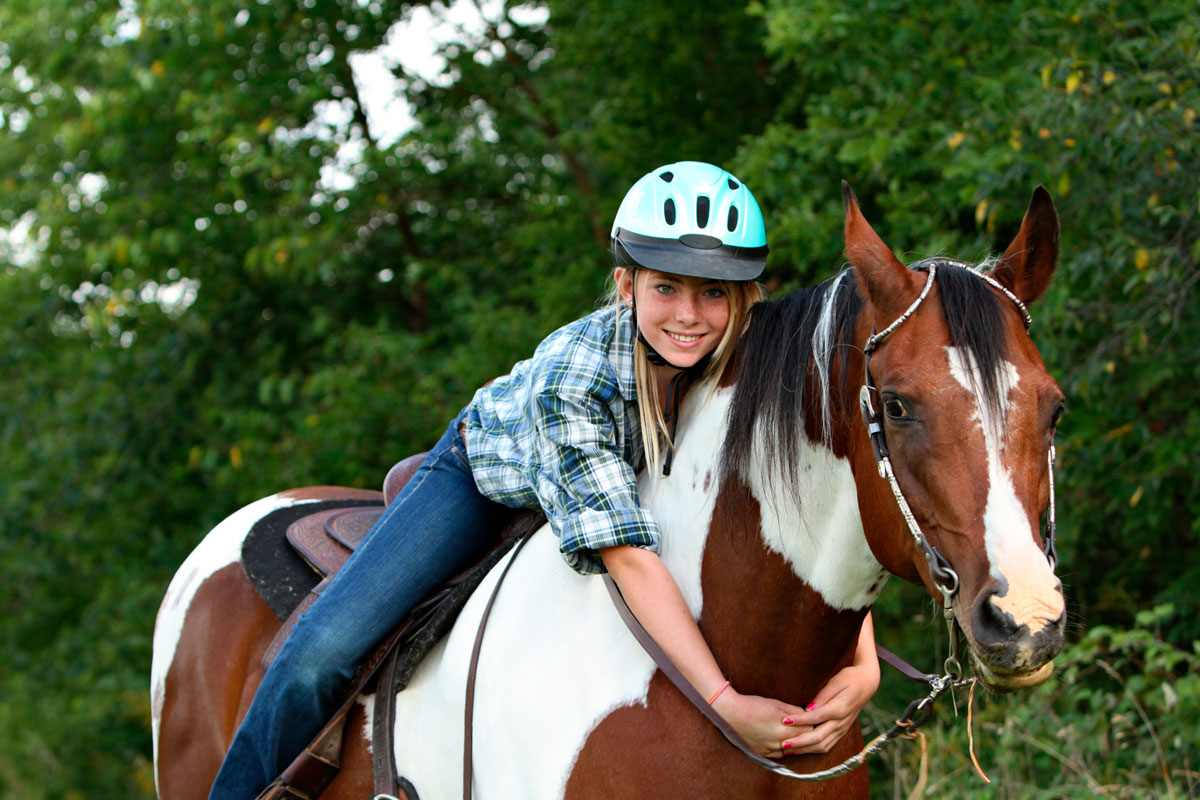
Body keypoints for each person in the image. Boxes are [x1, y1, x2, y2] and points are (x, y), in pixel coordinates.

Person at [208, 161, 880, 798]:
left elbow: (806, 514)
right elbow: (629, 556)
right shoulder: (574, 379)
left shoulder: (750, 364)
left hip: (635, 483)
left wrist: (862, 662)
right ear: (626, 287)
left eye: (713, 294)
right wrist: (724, 702)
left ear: (746, 296)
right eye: (664, 288)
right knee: (322, 651)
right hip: (488, 474)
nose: (687, 315)